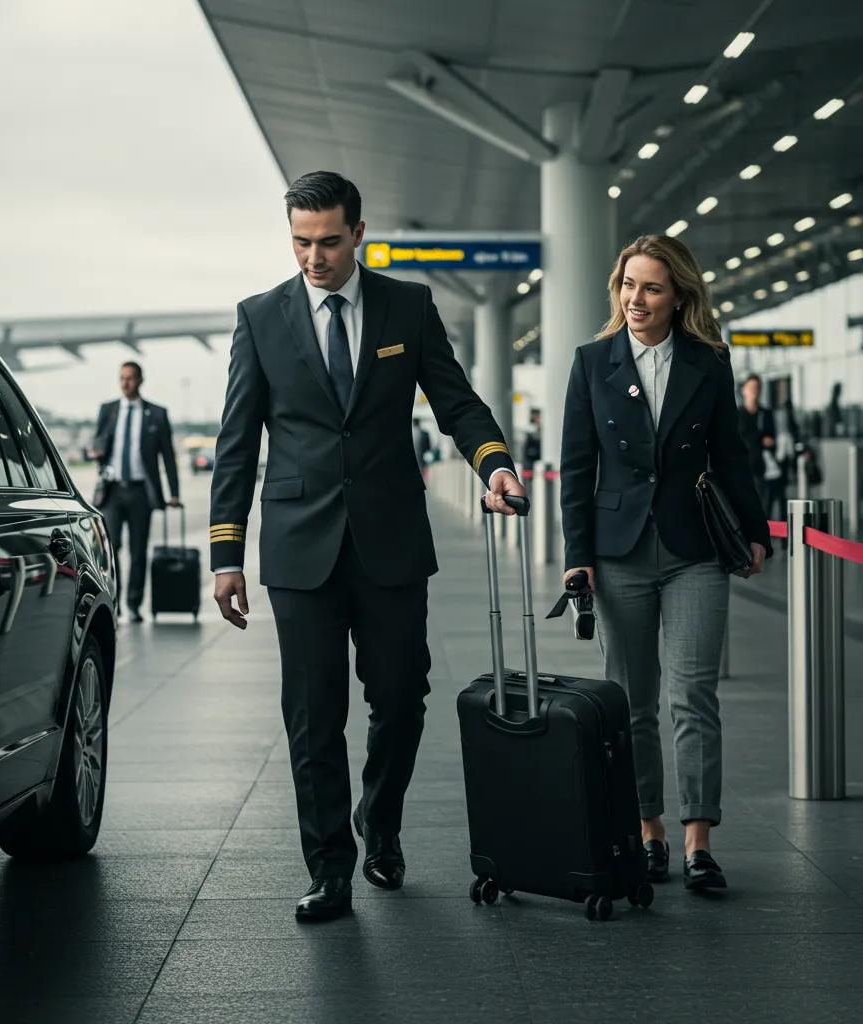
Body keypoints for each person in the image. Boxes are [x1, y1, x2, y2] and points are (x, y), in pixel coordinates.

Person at [210, 170, 524, 922]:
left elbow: (457, 403)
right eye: (299, 242)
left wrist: (497, 462)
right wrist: (226, 552)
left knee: (401, 699)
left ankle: (379, 822)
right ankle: (330, 870)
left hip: (388, 539)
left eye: (325, 241)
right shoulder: (260, 317)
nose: (312, 257)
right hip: (298, 546)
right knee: (313, 715)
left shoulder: (407, 307)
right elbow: (235, 443)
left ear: (358, 233)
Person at [560, 234, 770, 894]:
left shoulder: (708, 362)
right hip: (617, 551)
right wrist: (576, 558)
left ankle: (698, 842)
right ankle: (648, 831)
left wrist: (756, 532)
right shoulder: (592, 361)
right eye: (628, 284)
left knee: (693, 695)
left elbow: (731, 455)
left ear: (679, 295)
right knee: (631, 703)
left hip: (693, 551)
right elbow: (575, 467)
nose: (636, 298)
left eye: (651, 287)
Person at [93, 361, 180, 622]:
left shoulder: (156, 414)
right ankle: (114, 601)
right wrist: (95, 453)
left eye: (130, 378)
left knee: (138, 550)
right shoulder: (108, 411)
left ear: (140, 380)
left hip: (141, 492)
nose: (125, 383)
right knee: (112, 547)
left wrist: (173, 493)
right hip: (113, 491)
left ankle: (133, 604)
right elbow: (98, 444)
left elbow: (168, 456)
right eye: (121, 378)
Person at [737, 373, 780, 509]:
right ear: (743, 390)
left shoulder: (765, 413)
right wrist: (761, 438)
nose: (754, 391)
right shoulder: (737, 414)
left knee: (763, 506)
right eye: (751, 387)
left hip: (762, 468)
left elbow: (772, 439)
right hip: (743, 467)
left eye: (757, 387)